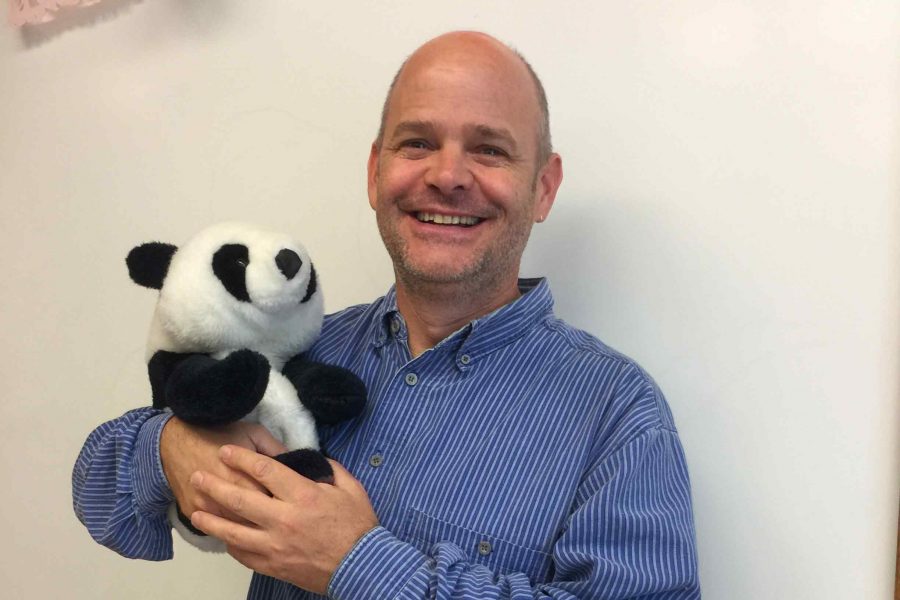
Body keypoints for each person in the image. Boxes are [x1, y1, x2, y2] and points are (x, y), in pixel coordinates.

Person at [73, 31, 701, 599]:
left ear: (543, 187)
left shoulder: (620, 418)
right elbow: (100, 497)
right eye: (418, 143)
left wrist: (357, 564)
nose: (448, 175)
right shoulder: (301, 348)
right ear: (376, 173)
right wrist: (169, 444)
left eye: (489, 150)